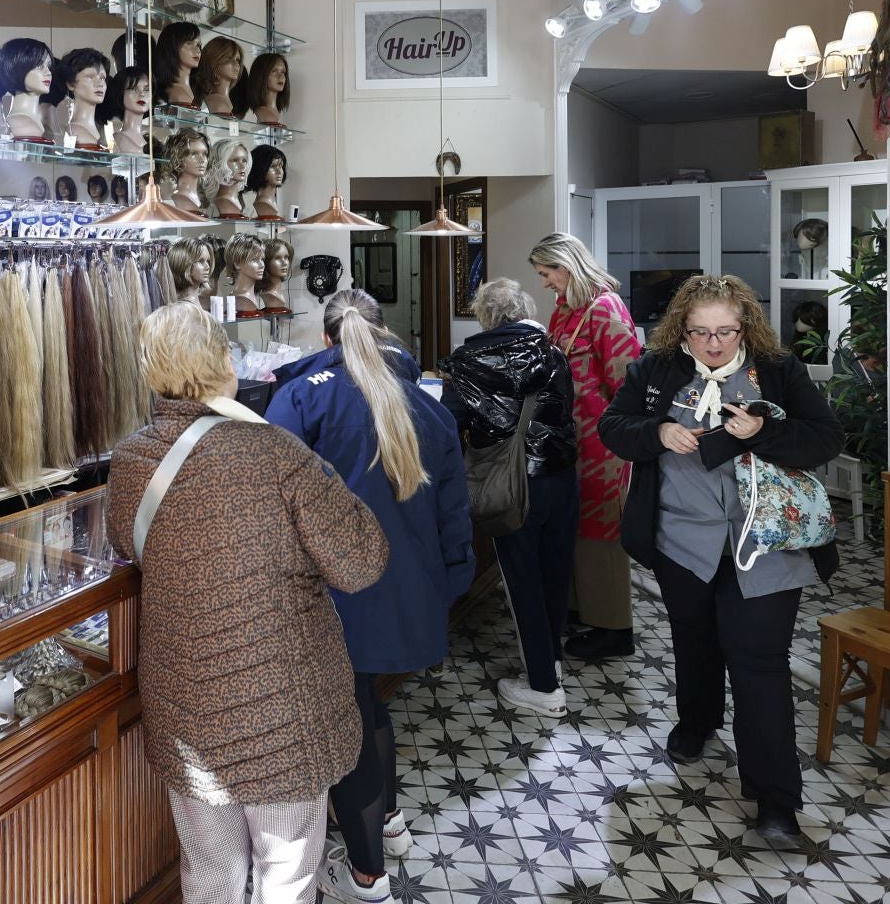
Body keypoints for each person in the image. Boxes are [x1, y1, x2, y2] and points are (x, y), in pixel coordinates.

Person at [108, 302, 388, 904]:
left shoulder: (131, 460)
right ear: (224, 362)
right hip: (282, 716)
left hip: (186, 709)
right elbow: (362, 562)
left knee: (210, 873)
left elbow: (128, 546)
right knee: (285, 877)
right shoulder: (275, 455)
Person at [598, 275, 843, 849]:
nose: (713, 344)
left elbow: (826, 437)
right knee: (694, 637)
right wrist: (658, 431)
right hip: (682, 543)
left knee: (759, 664)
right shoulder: (654, 370)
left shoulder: (777, 370)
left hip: (765, 547)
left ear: (745, 326)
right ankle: (698, 722)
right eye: (701, 332)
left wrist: (764, 429)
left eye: (725, 332)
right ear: (682, 328)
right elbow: (614, 427)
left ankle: (776, 799)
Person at [265, 290, 472, 902]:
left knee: (346, 719)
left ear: (326, 339)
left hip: (329, 596)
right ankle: (389, 821)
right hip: (407, 589)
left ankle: (366, 876)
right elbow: (453, 515)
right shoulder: (426, 407)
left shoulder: (301, 397)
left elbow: (272, 501)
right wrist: (450, 587)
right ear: (386, 335)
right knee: (366, 705)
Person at [440, 277, 577, 714]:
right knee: (555, 575)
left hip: (513, 484)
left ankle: (543, 688)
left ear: (485, 316)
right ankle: (553, 664)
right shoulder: (554, 351)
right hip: (562, 477)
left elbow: (448, 421)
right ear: (523, 311)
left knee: (522, 584)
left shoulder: (471, 357)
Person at [529, 233, 643, 662]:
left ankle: (614, 628)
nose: (544, 283)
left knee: (602, 533)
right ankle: (583, 610)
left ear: (566, 266)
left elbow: (627, 384)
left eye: (546, 274)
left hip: (601, 443)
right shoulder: (565, 309)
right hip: (568, 439)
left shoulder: (605, 309)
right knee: (575, 527)